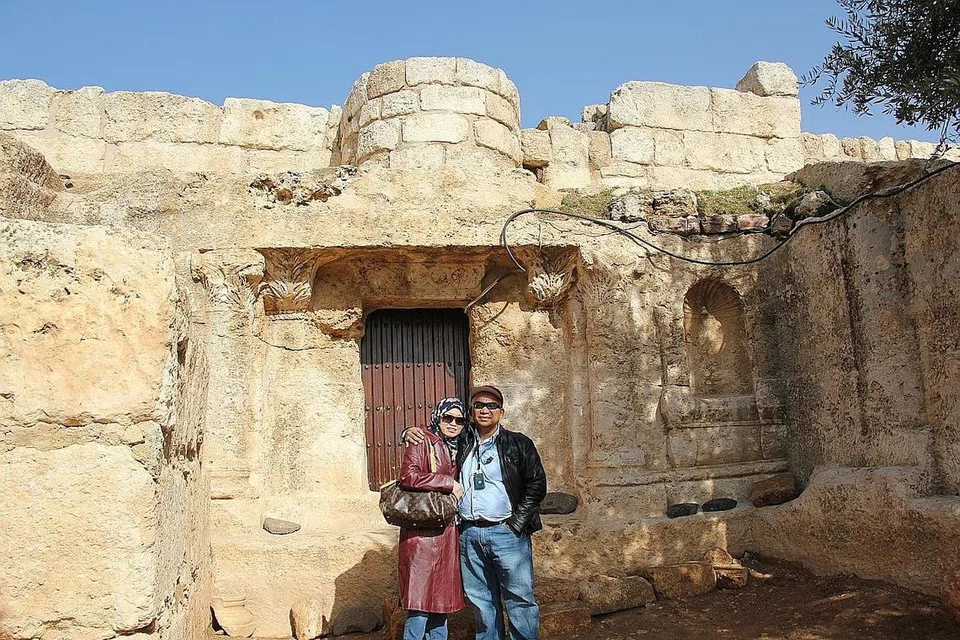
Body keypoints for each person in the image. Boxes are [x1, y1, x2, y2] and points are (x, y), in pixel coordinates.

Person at [406, 386, 547, 640]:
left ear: (501, 412)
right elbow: (435, 433)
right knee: (482, 603)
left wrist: (516, 524)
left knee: (520, 600)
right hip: (470, 534)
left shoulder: (519, 443)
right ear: (472, 413)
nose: (484, 410)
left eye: (491, 406)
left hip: (507, 534)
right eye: (479, 405)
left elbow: (536, 484)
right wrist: (408, 432)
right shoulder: (463, 439)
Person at [397, 398, 468, 640]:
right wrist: (448, 483)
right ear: (437, 417)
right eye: (448, 418)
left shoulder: (463, 444)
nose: (453, 424)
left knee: (440, 605)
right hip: (423, 535)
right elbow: (408, 476)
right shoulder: (422, 440)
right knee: (420, 607)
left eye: (459, 420)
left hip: (448, 533)